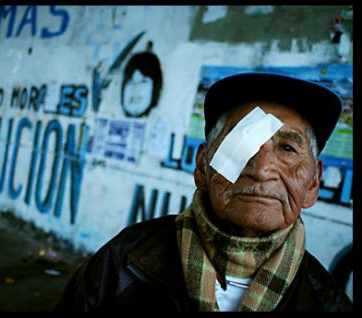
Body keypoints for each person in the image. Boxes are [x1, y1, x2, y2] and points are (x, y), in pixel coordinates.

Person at [55, 72, 353, 311]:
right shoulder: (122, 262)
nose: (262, 170)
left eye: (287, 149)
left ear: (313, 184)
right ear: (202, 165)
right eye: (241, 146)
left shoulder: (327, 301)